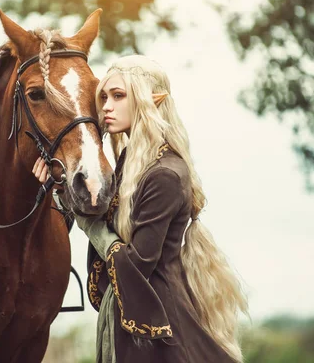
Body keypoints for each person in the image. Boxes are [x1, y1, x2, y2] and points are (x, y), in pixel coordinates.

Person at [32, 55, 248, 363]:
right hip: (132, 319)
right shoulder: (130, 163)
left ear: (152, 99)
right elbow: (96, 213)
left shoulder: (165, 173)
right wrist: (59, 186)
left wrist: (90, 226)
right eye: (103, 97)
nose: (106, 106)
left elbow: (138, 262)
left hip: (160, 332)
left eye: (118, 96)